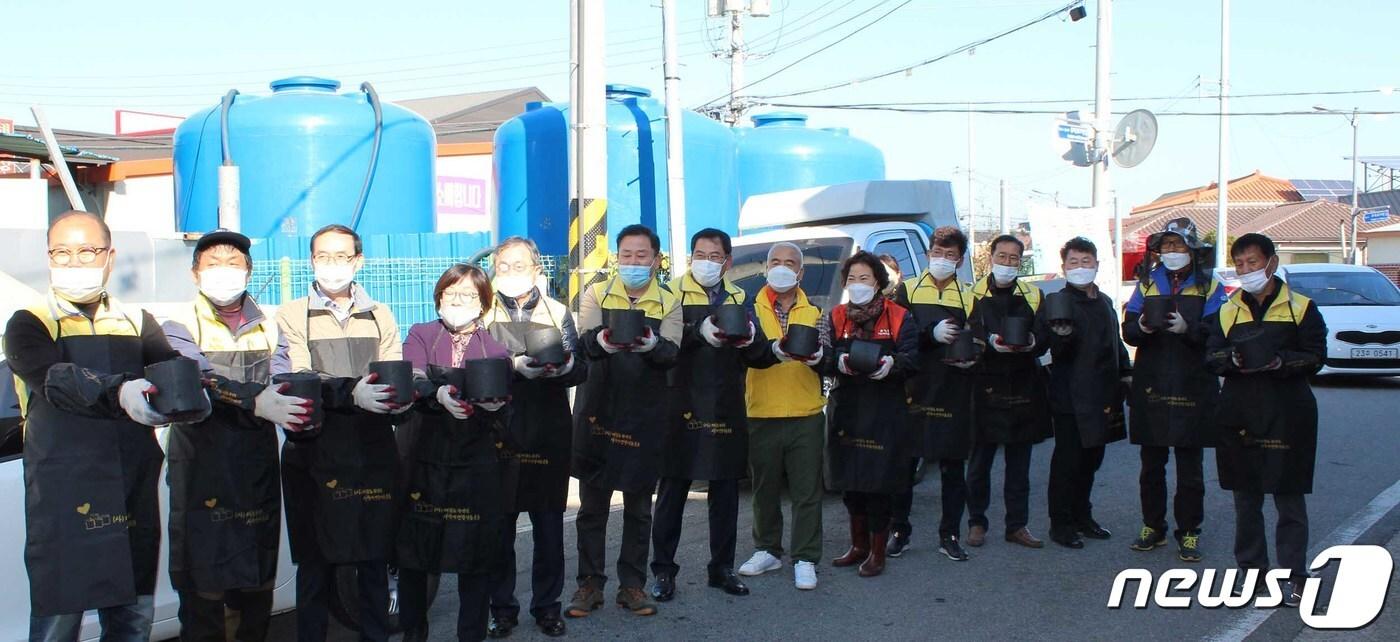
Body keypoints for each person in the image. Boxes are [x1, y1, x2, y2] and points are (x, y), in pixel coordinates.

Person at [6, 210, 206, 641]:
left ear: (110, 258)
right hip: (64, 495)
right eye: (62, 253)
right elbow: (52, 379)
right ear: (49, 258)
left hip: (130, 489)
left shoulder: (137, 322)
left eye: (87, 252)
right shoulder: (30, 321)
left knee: (131, 620)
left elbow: (172, 370)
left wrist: (211, 393)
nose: (74, 263)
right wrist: (121, 392)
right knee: (59, 621)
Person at [162, 229, 304, 641]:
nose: (223, 273)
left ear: (249, 271)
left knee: (254, 583)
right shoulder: (177, 325)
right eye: (212, 264)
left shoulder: (271, 327)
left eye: (233, 264)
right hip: (200, 468)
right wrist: (256, 401)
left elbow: (284, 379)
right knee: (202, 587)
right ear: (195, 274)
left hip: (254, 468)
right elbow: (195, 378)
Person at [275, 224, 407, 642]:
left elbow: (393, 370)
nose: (332, 265)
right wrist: (353, 392)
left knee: (372, 558)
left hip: (371, 453)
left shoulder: (380, 314)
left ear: (358, 261)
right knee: (316, 566)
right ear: (311, 261)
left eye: (342, 257)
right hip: (314, 453)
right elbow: (298, 377)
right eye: (323, 257)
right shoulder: (291, 315)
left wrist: (399, 398)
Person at [650, 228, 772, 603]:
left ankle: (721, 568)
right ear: (690, 257)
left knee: (725, 491)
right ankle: (663, 571)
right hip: (679, 401)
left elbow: (762, 357)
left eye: (714, 256)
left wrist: (752, 340)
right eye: (699, 254)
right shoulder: (670, 293)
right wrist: (696, 332)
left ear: (727, 261)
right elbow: (656, 343)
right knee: (673, 489)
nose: (706, 261)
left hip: (725, 403)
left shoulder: (740, 297)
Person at [567, 224, 682, 618]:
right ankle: (589, 585)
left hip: (645, 415)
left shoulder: (668, 299)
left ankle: (631, 586)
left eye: (642, 255)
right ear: (617, 257)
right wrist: (600, 341)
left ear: (655, 259)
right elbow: (583, 342)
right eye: (627, 255)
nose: (634, 262)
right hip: (599, 408)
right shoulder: (596, 293)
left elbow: (672, 351)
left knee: (638, 507)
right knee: (592, 506)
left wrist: (652, 345)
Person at [1206, 233, 1326, 607]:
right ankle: (1251, 574)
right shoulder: (1228, 309)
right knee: (1246, 498)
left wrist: (1281, 362)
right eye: (1240, 264)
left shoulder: (1300, 307)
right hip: (1239, 412)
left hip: (1289, 413)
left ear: (1271, 263)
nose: (1246, 270)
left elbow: (1317, 356)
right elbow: (1211, 355)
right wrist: (1232, 361)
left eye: (1253, 263)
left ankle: (1294, 578)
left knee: (1289, 499)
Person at [398, 264, 514, 641]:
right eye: (451, 294)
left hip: (474, 464)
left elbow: (501, 399)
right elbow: (412, 377)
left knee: (474, 558)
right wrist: (439, 393)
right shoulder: (421, 334)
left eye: (468, 295)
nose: (458, 302)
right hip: (423, 458)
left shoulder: (495, 348)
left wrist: (494, 405)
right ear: (438, 298)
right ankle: (415, 633)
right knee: (415, 555)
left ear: (483, 303)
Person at [483, 237, 585, 639]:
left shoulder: (558, 311)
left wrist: (563, 370)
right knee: (499, 528)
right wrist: (512, 367)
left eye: (519, 264)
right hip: (498, 430)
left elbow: (580, 369)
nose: (510, 272)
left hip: (547, 430)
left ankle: (548, 607)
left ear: (537, 268)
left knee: (548, 528)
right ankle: (501, 609)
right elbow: (472, 363)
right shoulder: (482, 311)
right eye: (503, 265)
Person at [1122, 218, 1227, 562]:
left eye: (1178, 245)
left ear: (1192, 249)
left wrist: (1188, 328)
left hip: (1194, 384)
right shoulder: (1147, 282)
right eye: (1166, 246)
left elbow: (1218, 334)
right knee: (1151, 464)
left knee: (1190, 467)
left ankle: (1190, 531)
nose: (1172, 252)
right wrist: (1139, 327)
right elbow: (1128, 328)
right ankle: (1153, 526)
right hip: (1152, 382)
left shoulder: (1211, 286)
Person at [736, 241, 827, 590]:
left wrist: (820, 358)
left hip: (806, 412)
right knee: (764, 489)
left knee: (807, 492)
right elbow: (743, 354)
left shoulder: (816, 311)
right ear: (765, 267)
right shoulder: (748, 310)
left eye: (791, 263)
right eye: (776, 261)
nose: (783, 267)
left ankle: (805, 557)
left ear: (801, 273)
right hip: (762, 411)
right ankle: (767, 549)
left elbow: (829, 357)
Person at [823, 251, 918, 578]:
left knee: (878, 483)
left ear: (878, 281)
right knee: (851, 482)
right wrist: (837, 361)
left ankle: (878, 552)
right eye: (852, 279)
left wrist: (893, 365)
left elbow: (912, 358)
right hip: (848, 408)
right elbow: (822, 356)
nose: (858, 284)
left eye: (864, 278)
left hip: (885, 411)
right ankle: (858, 545)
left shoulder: (899, 315)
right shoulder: (835, 316)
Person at [889, 226, 978, 561]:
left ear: (960, 259)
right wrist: (930, 333)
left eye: (951, 255)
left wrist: (973, 358)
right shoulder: (907, 290)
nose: (943, 259)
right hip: (913, 389)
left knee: (953, 470)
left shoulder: (969, 297)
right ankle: (900, 531)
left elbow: (977, 339)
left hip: (954, 389)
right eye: (938, 253)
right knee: (904, 466)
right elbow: (900, 337)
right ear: (928, 254)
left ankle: (949, 534)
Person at [1041, 237, 1131, 549]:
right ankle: (1060, 523)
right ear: (1063, 267)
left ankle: (1083, 515)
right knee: (1068, 461)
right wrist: (1061, 336)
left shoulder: (1105, 301)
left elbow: (1116, 343)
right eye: (1073, 263)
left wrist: (1127, 374)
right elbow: (1050, 347)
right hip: (1070, 396)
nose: (1080, 268)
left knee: (1093, 458)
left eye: (1086, 262)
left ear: (1097, 264)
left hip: (1105, 393)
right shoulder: (1058, 302)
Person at [966, 234, 1051, 549]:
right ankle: (977, 522)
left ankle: (1017, 525)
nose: (1007, 263)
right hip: (985, 382)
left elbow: (1045, 333)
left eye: (1014, 258)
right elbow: (968, 328)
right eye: (1002, 256)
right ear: (991, 258)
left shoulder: (1033, 294)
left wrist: (1032, 342)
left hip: (1024, 383)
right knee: (979, 462)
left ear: (1021, 261)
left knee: (1020, 464)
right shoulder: (971, 293)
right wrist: (988, 341)